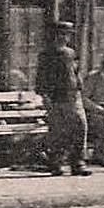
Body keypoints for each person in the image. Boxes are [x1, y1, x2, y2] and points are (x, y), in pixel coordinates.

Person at [34, 20, 90, 176]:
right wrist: (45, 98)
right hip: (56, 97)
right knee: (58, 132)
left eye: (67, 35)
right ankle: (56, 163)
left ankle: (78, 163)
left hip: (73, 96)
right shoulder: (46, 55)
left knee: (79, 127)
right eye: (61, 34)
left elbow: (76, 73)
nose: (64, 38)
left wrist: (80, 89)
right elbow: (41, 79)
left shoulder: (71, 53)